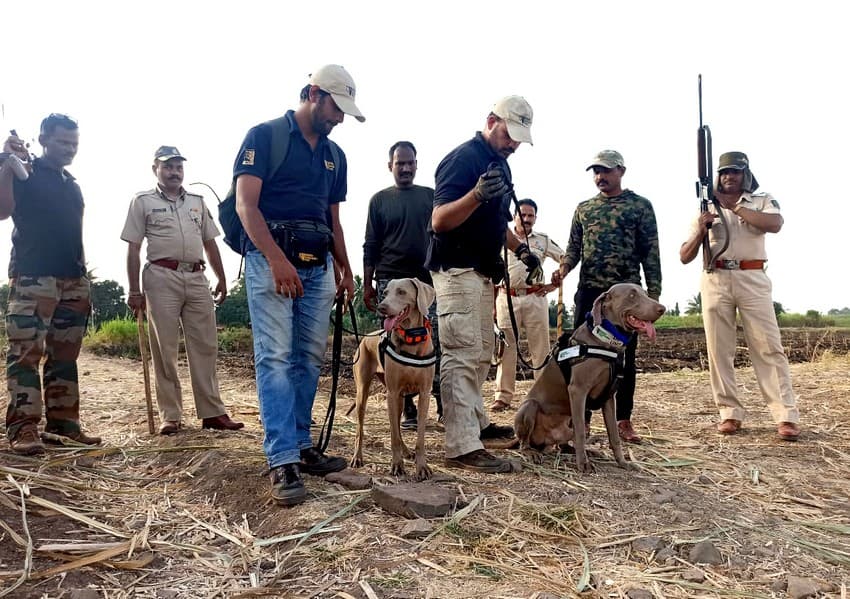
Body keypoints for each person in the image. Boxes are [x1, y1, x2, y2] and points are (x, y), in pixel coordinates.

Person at [233, 64, 362, 506]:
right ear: (312, 93)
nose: (339, 118)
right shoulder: (265, 136)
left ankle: (303, 445)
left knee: (308, 358)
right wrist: (275, 259)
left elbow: (334, 221)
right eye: (335, 107)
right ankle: (282, 458)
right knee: (275, 357)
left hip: (318, 264)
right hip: (272, 260)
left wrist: (345, 269)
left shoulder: (334, 156)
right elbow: (246, 206)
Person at [425, 95, 542, 473]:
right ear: (492, 121)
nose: (513, 145)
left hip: (482, 272)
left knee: (480, 352)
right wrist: (475, 195)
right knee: (460, 352)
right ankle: (460, 446)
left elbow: (498, 225)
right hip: (456, 268)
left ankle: (476, 424)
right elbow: (439, 220)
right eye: (509, 134)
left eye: (519, 140)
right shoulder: (463, 159)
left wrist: (521, 251)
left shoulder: (499, 165)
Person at [120, 146, 244, 435]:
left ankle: (212, 412)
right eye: (168, 167)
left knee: (206, 345)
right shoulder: (143, 201)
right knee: (165, 347)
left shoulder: (197, 203)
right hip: (160, 276)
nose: (174, 172)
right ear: (155, 169)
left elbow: (211, 243)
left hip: (197, 276)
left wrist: (222, 278)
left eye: (178, 167)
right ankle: (171, 415)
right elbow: (133, 247)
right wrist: (134, 289)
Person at [679, 151, 800, 441]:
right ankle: (729, 413)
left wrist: (734, 208)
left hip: (753, 277)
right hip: (715, 278)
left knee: (768, 346)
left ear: (745, 175)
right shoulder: (705, 208)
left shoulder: (761, 201)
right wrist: (702, 229)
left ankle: (785, 416)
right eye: (723, 173)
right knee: (719, 349)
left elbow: (775, 224)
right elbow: (684, 255)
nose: (728, 177)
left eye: (734, 172)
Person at [0, 114, 101, 455]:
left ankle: (63, 423)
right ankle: (22, 427)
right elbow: (2, 210)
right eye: (63, 142)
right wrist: (5, 163)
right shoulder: (21, 170)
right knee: (25, 354)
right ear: (43, 139)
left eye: (74, 143)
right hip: (33, 277)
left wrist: (83, 277)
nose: (70, 148)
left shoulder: (71, 182)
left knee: (65, 356)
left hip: (73, 281)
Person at [559, 150, 662, 443]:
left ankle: (623, 420)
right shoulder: (584, 209)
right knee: (580, 354)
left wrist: (652, 293)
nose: (600, 177)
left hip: (627, 298)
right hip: (592, 294)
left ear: (621, 171)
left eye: (605, 171)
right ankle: (582, 419)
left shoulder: (639, 206)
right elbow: (573, 248)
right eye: (596, 172)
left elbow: (650, 251)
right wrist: (563, 270)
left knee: (623, 358)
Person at [362, 140, 441, 429]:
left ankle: (440, 406)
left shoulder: (431, 197)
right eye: (400, 163)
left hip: (424, 283)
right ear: (390, 166)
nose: (405, 168)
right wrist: (368, 284)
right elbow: (370, 244)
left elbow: (442, 235)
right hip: (390, 280)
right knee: (395, 344)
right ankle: (406, 410)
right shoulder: (379, 201)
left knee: (432, 343)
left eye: (410, 163)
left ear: (417, 165)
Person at [492, 198, 564, 412]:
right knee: (506, 349)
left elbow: (565, 258)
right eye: (522, 215)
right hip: (506, 297)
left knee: (540, 349)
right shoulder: (502, 238)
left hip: (535, 298)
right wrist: (493, 306)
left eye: (530, 215)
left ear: (535, 218)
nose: (526, 219)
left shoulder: (542, 240)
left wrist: (554, 282)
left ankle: (541, 395)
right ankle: (502, 397)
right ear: (514, 216)